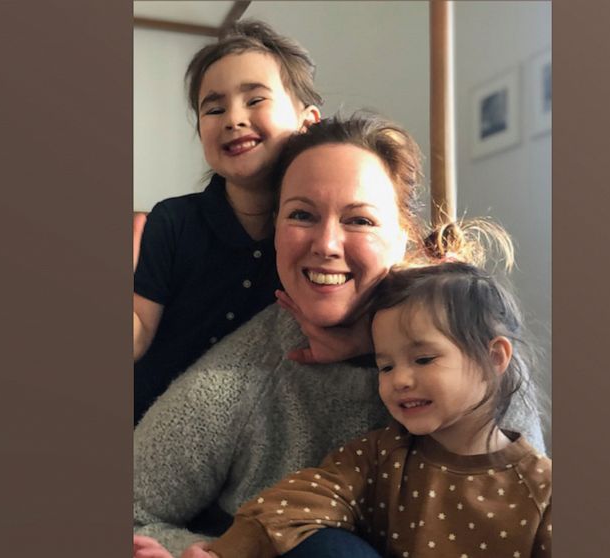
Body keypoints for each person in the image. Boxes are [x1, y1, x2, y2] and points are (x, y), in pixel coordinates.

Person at [133, 114, 546, 558]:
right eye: (302, 215)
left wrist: (375, 350)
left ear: (402, 238)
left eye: (360, 220)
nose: (327, 244)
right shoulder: (239, 378)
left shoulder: (477, 352)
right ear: (275, 234)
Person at [182, 251, 552, 558]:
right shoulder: (379, 456)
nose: (399, 380)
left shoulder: (543, 490)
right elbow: (292, 504)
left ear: (495, 357)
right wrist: (221, 554)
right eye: (385, 366)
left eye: (423, 359)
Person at [133, 20, 321, 425]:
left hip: (257, 433)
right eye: (214, 108)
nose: (233, 119)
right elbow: (138, 331)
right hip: (150, 423)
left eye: (254, 100)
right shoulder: (172, 221)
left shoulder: (319, 235)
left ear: (307, 121)